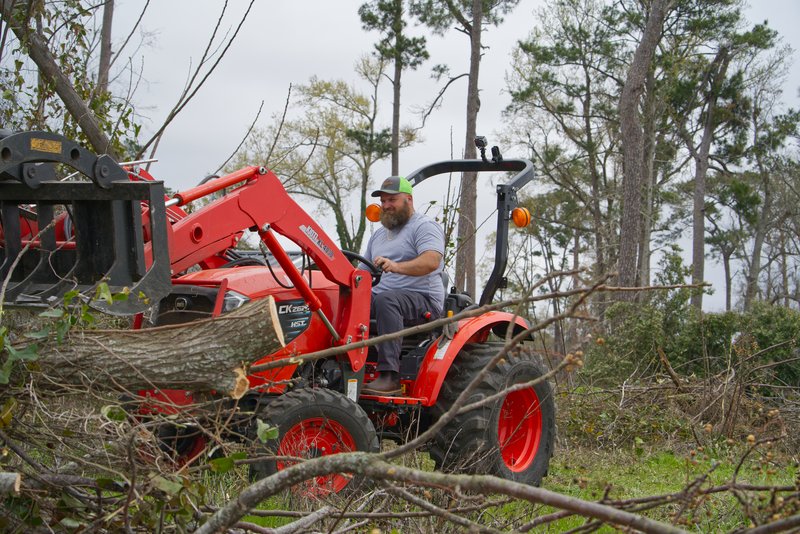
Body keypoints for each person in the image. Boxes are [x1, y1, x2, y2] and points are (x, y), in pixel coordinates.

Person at [360, 176, 445, 395]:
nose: (386, 206)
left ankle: (390, 376)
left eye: (392, 200)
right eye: (383, 201)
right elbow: (363, 273)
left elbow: (431, 261)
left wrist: (396, 267)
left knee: (386, 299)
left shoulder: (424, 227)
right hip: (384, 300)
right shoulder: (378, 235)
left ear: (408, 199)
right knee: (344, 300)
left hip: (422, 301)